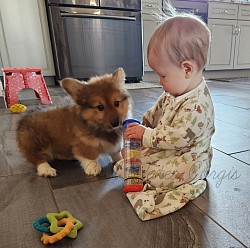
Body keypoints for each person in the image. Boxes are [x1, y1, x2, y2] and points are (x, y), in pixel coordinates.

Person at [114, 6, 215, 221]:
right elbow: (154, 114)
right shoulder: (173, 91)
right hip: (168, 148)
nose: (160, 82)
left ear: (187, 69)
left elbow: (178, 137)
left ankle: (154, 176)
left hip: (190, 157)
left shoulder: (197, 106)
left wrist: (147, 136)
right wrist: (139, 137)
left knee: (167, 175)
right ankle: (144, 169)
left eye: (163, 75)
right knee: (131, 162)